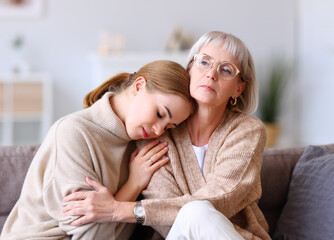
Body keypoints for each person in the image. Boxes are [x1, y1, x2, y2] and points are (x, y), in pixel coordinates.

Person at [61, 31, 271, 240]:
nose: (211, 74)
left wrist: (120, 210)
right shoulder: (156, 132)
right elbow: (166, 221)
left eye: (226, 70)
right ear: (189, 68)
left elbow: (221, 198)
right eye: (204, 62)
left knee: (197, 211)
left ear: (238, 88)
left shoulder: (248, 131)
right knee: (194, 212)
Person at [0, 60, 193, 240]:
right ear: (139, 86)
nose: (159, 130)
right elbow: (92, 236)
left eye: (169, 126)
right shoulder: (73, 134)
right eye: (159, 114)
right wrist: (133, 185)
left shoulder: (141, 145)